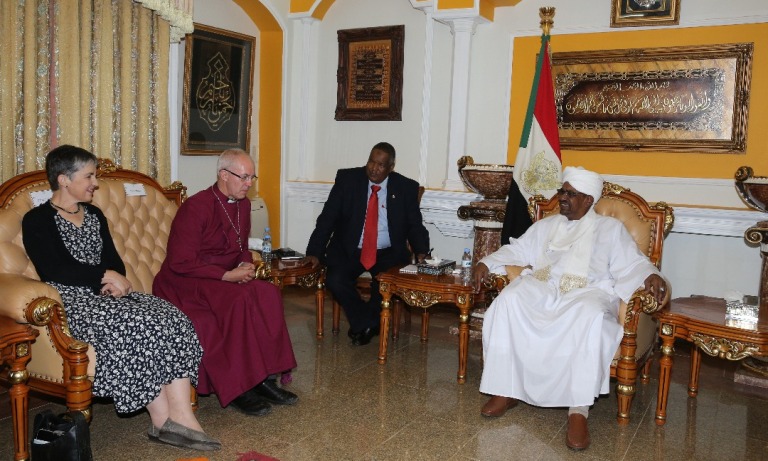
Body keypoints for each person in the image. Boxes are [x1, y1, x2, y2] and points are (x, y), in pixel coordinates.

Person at [22, 145, 219, 451]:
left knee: (171, 317)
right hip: (73, 304)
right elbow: (55, 268)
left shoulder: (95, 214)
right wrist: (104, 277)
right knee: (137, 324)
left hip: (108, 294)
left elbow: (114, 260)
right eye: (88, 176)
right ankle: (161, 418)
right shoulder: (37, 220)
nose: (95, 183)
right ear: (63, 179)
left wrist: (115, 279)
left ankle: (181, 415)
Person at [472, 166, 667, 451]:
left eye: (569, 193)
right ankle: (506, 389)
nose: (561, 197)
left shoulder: (610, 229)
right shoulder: (547, 225)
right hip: (545, 285)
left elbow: (632, 263)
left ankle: (578, 410)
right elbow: (518, 250)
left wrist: (649, 275)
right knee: (509, 301)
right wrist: (486, 262)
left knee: (589, 315)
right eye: (562, 191)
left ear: (588, 199)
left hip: (588, 291)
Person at [153, 149, 298, 418]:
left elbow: (241, 246)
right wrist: (226, 276)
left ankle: (265, 379)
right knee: (238, 299)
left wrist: (245, 264)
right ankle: (240, 388)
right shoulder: (195, 208)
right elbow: (180, 261)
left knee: (267, 293)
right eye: (244, 177)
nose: (249, 183)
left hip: (221, 276)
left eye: (251, 177)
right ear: (223, 174)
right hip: (184, 280)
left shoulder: (242, 204)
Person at [305, 142, 430, 346]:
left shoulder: (405, 187)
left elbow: (414, 225)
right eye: (371, 161)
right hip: (350, 249)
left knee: (384, 284)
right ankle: (368, 322)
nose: (374, 168)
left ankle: (363, 324)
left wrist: (422, 252)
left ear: (391, 167)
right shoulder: (348, 180)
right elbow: (328, 218)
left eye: (381, 165)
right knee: (335, 279)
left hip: (388, 252)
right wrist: (314, 251)